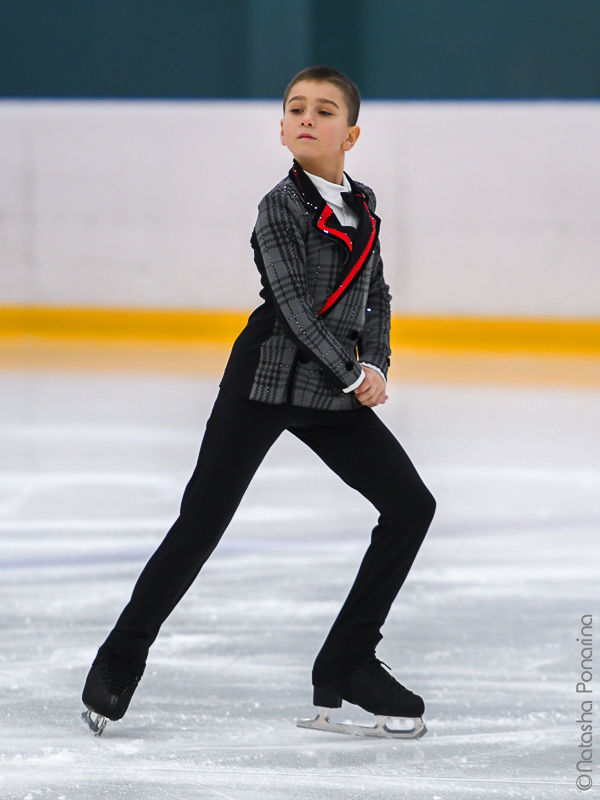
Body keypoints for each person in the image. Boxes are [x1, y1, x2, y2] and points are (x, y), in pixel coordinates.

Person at [82, 66, 436, 738]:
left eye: (324, 110)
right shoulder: (279, 205)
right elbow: (297, 311)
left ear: (351, 133)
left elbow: (377, 294)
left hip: (330, 387)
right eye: (296, 108)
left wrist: (379, 362)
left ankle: (347, 662)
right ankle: (120, 657)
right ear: (281, 128)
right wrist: (352, 371)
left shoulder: (363, 205)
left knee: (411, 506)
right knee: (202, 522)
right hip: (268, 380)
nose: (307, 117)